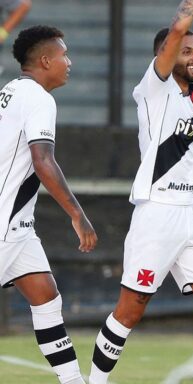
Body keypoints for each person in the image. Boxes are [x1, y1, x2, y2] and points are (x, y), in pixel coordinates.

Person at [89, 0, 193, 383]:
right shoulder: (154, 86)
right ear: (164, 55)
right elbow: (179, 27)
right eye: (187, 51)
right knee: (130, 310)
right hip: (157, 212)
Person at [0, 25, 97, 384]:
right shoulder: (40, 99)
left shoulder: (10, 91)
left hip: (18, 227)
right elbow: (43, 161)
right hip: (4, 224)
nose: (68, 62)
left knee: (45, 296)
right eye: (63, 55)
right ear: (44, 60)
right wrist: (78, 215)